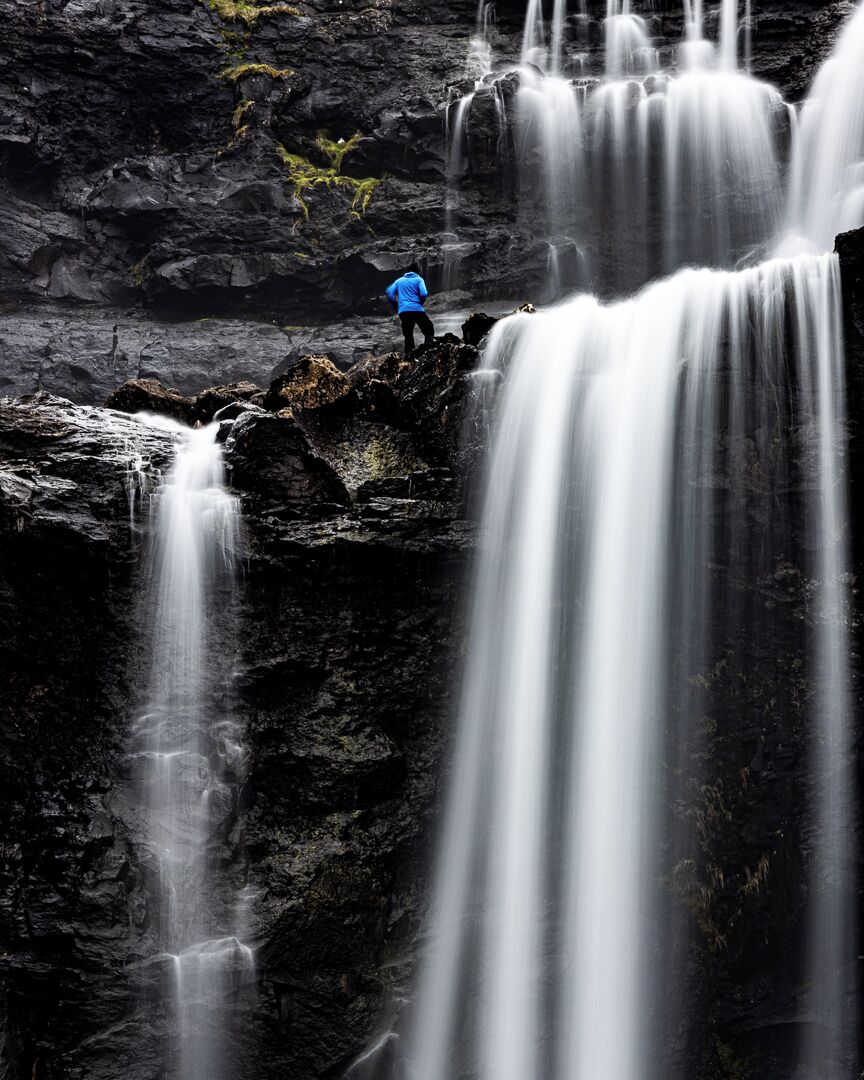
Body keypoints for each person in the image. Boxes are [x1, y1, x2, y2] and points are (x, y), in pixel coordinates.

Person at [386, 264, 435, 357]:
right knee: (429, 329)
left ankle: (409, 357)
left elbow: (389, 293)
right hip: (417, 310)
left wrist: (396, 304)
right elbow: (424, 293)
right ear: (417, 272)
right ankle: (427, 351)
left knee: (408, 335)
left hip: (403, 312)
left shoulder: (399, 281)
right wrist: (421, 302)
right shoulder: (419, 279)